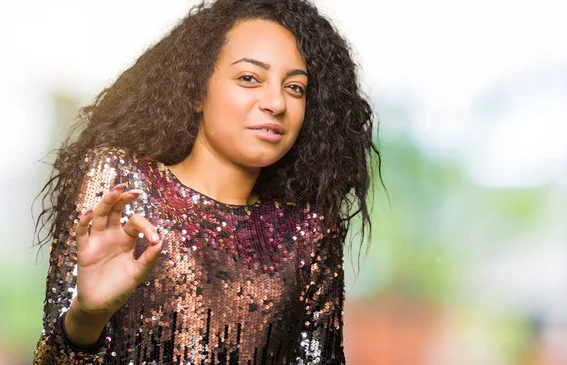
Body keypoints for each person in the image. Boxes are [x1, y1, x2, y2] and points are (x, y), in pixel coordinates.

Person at [33, 0, 380, 363]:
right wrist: (86, 319)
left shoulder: (309, 229)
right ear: (197, 91)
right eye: (249, 78)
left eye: (295, 87)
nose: (276, 102)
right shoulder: (120, 182)